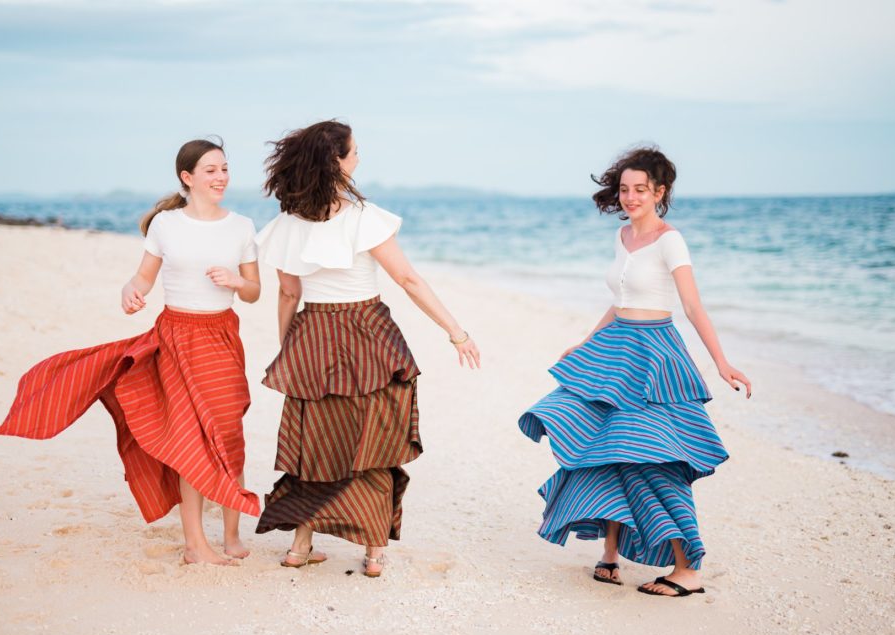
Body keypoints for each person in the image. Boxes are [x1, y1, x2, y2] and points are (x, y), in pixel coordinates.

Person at [0, 138, 262, 566]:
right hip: (176, 336)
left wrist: (235, 281)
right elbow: (141, 279)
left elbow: (254, 292)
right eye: (211, 170)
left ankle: (231, 536)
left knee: (227, 434)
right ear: (187, 178)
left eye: (225, 168)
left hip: (221, 338)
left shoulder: (242, 226)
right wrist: (130, 293)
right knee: (189, 439)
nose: (221, 177)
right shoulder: (166, 225)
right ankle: (195, 545)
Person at [518, 146, 751, 597]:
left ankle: (688, 569)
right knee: (602, 448)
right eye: (624, 189)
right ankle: (609, 555)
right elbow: (620, 299)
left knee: (653, 457)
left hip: (654, 358)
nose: (630, 197)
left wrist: (720, 362)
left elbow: (691, 305)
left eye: (640, 189)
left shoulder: (670, 240)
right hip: (615, 349)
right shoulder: (623, 236)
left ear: (660, 191)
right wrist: (586, 341)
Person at [253, 120, 480, 578]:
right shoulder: (362, 216)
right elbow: (408, 280)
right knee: (375, 439)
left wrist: (290, 349)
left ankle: (300, 546)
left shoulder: (285, 225)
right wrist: (455, 330)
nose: (358, 158)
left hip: (311, 334)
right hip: (367, 334)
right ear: (336, 162)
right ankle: (374, 554)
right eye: (354, 152)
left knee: (313, 443)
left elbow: (287, 295)